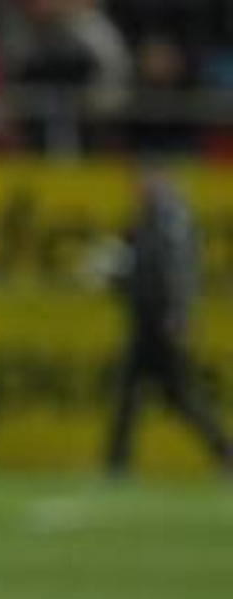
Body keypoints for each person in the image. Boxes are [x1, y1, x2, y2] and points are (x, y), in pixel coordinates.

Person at [101, 160, 233, 476]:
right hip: (144, 320)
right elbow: (131, 266)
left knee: (178, 396)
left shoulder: (171, 219)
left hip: (160, 321)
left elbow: (179, 272)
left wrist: (179, 313)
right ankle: (117, 462)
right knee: (132, 393)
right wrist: (113, 276)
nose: (138, 187)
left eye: (145, 179)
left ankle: (225, 453)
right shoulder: (143, 221)